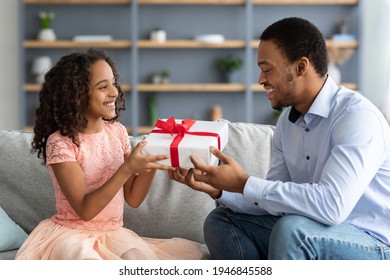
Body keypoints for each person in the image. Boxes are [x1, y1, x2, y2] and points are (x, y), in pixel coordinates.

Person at [168, 17, 390, 260]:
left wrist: (244, 182)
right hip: (306, 231)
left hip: (371, 243)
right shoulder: (287, 122)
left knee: (292, 231)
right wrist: (220, 190)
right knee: (222, 220)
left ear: (301, 67)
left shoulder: (356, 117)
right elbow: (274, 202)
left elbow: (332, 207)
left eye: (267, 69)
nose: (261, 80)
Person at [16, 48, 205, 260]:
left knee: (137, 259)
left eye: (113, 83)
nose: (114, 92)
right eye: (103, 87)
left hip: (114, 235)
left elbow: (133, 198)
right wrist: (127, 169)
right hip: (73, 236)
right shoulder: (60, 143)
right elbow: (85, 210)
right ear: (77, 96)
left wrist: (152, 157)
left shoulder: (117, 132)